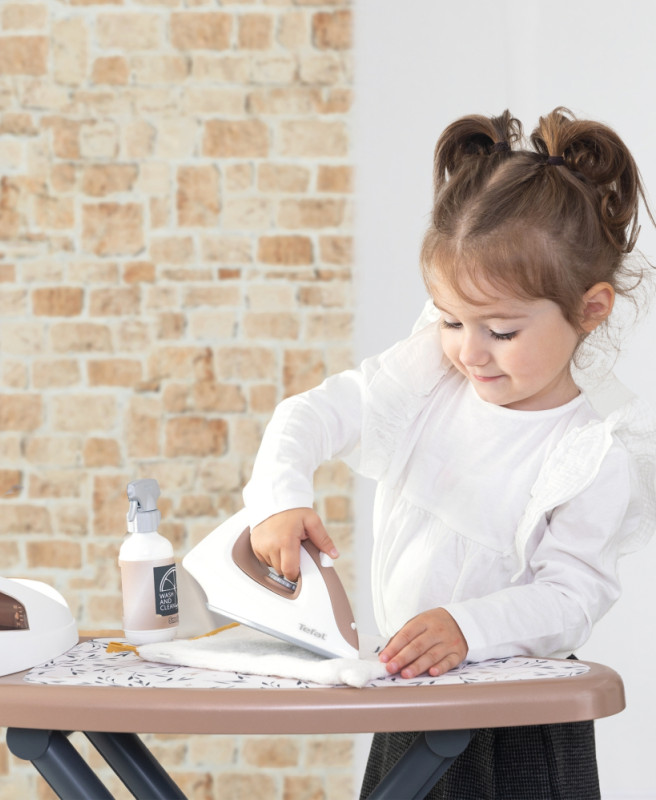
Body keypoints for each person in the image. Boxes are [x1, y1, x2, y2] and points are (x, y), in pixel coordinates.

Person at [242, 108, 656, 799]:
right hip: (411, 698)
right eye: (451, 320)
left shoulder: (590, 455)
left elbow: (572, 597)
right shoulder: (427, 381)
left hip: (522, 718)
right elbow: (311, 415)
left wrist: (468, 626)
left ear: (591, 309)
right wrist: (280, 497)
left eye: (501, 330)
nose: (470, 351)